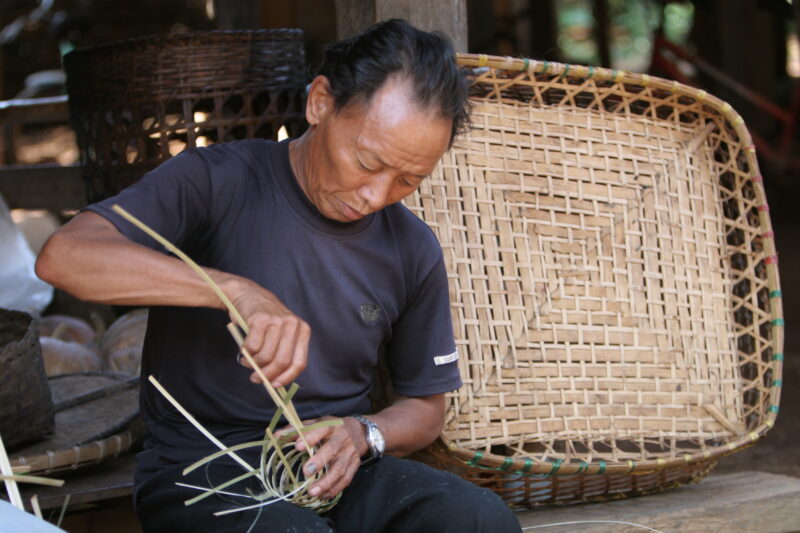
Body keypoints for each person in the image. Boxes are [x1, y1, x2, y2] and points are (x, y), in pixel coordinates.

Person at [36, 19, 521, 533]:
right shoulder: (216, 181)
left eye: (408, 180)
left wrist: (363, 434)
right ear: (320, 103)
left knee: (479, 519)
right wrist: (235, 291)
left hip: (335, 469)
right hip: (202, 470)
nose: (375, 196)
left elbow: (425, 406)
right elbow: (64, 257)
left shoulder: (411, 247)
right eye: (366, 161)